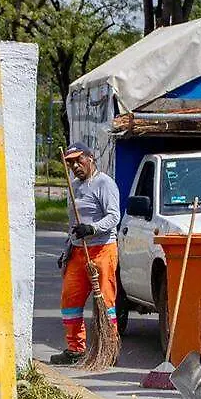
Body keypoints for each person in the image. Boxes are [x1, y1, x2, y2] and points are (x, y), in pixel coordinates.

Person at [51, 141, 121, 365]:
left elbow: (113, 217)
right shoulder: (75, 186)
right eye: (70, 163)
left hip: (102, 250)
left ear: (90, 158)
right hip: (78, 251)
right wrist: (67, 248)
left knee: (105, 301)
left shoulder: (104, 183)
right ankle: (75, 349)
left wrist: (92, 228)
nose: (75, 166)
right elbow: (73, 224)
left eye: (79, 160)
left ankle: (109, 348)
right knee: (70, 300)